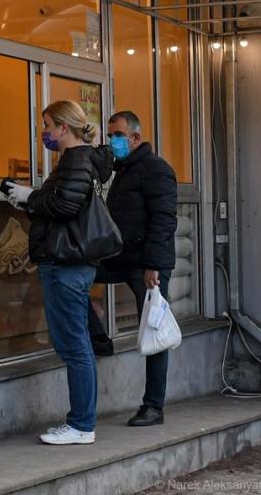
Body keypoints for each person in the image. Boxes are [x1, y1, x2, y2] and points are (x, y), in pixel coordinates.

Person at [4, 100, 113, 445]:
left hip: (66, 264)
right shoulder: (76, 160)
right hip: (67, 263)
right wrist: (28, 201)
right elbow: (63, 206)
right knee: (75, 343)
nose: (45, 133)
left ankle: (81, 424)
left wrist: (31, 197)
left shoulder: (76, 160)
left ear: (64, 128)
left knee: (74, 345)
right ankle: (81, 422)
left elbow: (65, 204)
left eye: (48, 126)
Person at [88, 110, 178, 427]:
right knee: (76, 277)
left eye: (118, 135)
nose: (113, 140)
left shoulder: (156, 170)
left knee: (154, 332)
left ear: (136, 137)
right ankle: (99, 337)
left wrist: (154, 265)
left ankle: (153, 406)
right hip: (121, 258)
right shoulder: (123, 170)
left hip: (146, 265)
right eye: (110, 135)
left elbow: (164, 220)